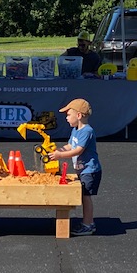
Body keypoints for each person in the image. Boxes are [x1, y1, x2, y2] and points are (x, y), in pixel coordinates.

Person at [48, 98, 102, 236]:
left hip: (90, 170)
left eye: (68, 115)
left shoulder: (87, 131)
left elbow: (78, 150)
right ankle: (88, 222)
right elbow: (70, 145)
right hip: (83, 169)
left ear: (78, 115)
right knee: (83, 195)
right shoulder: (75, 130)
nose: (66, 118)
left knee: (86, 197)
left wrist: (60, 155)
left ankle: (88, 224)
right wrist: (58, 150)